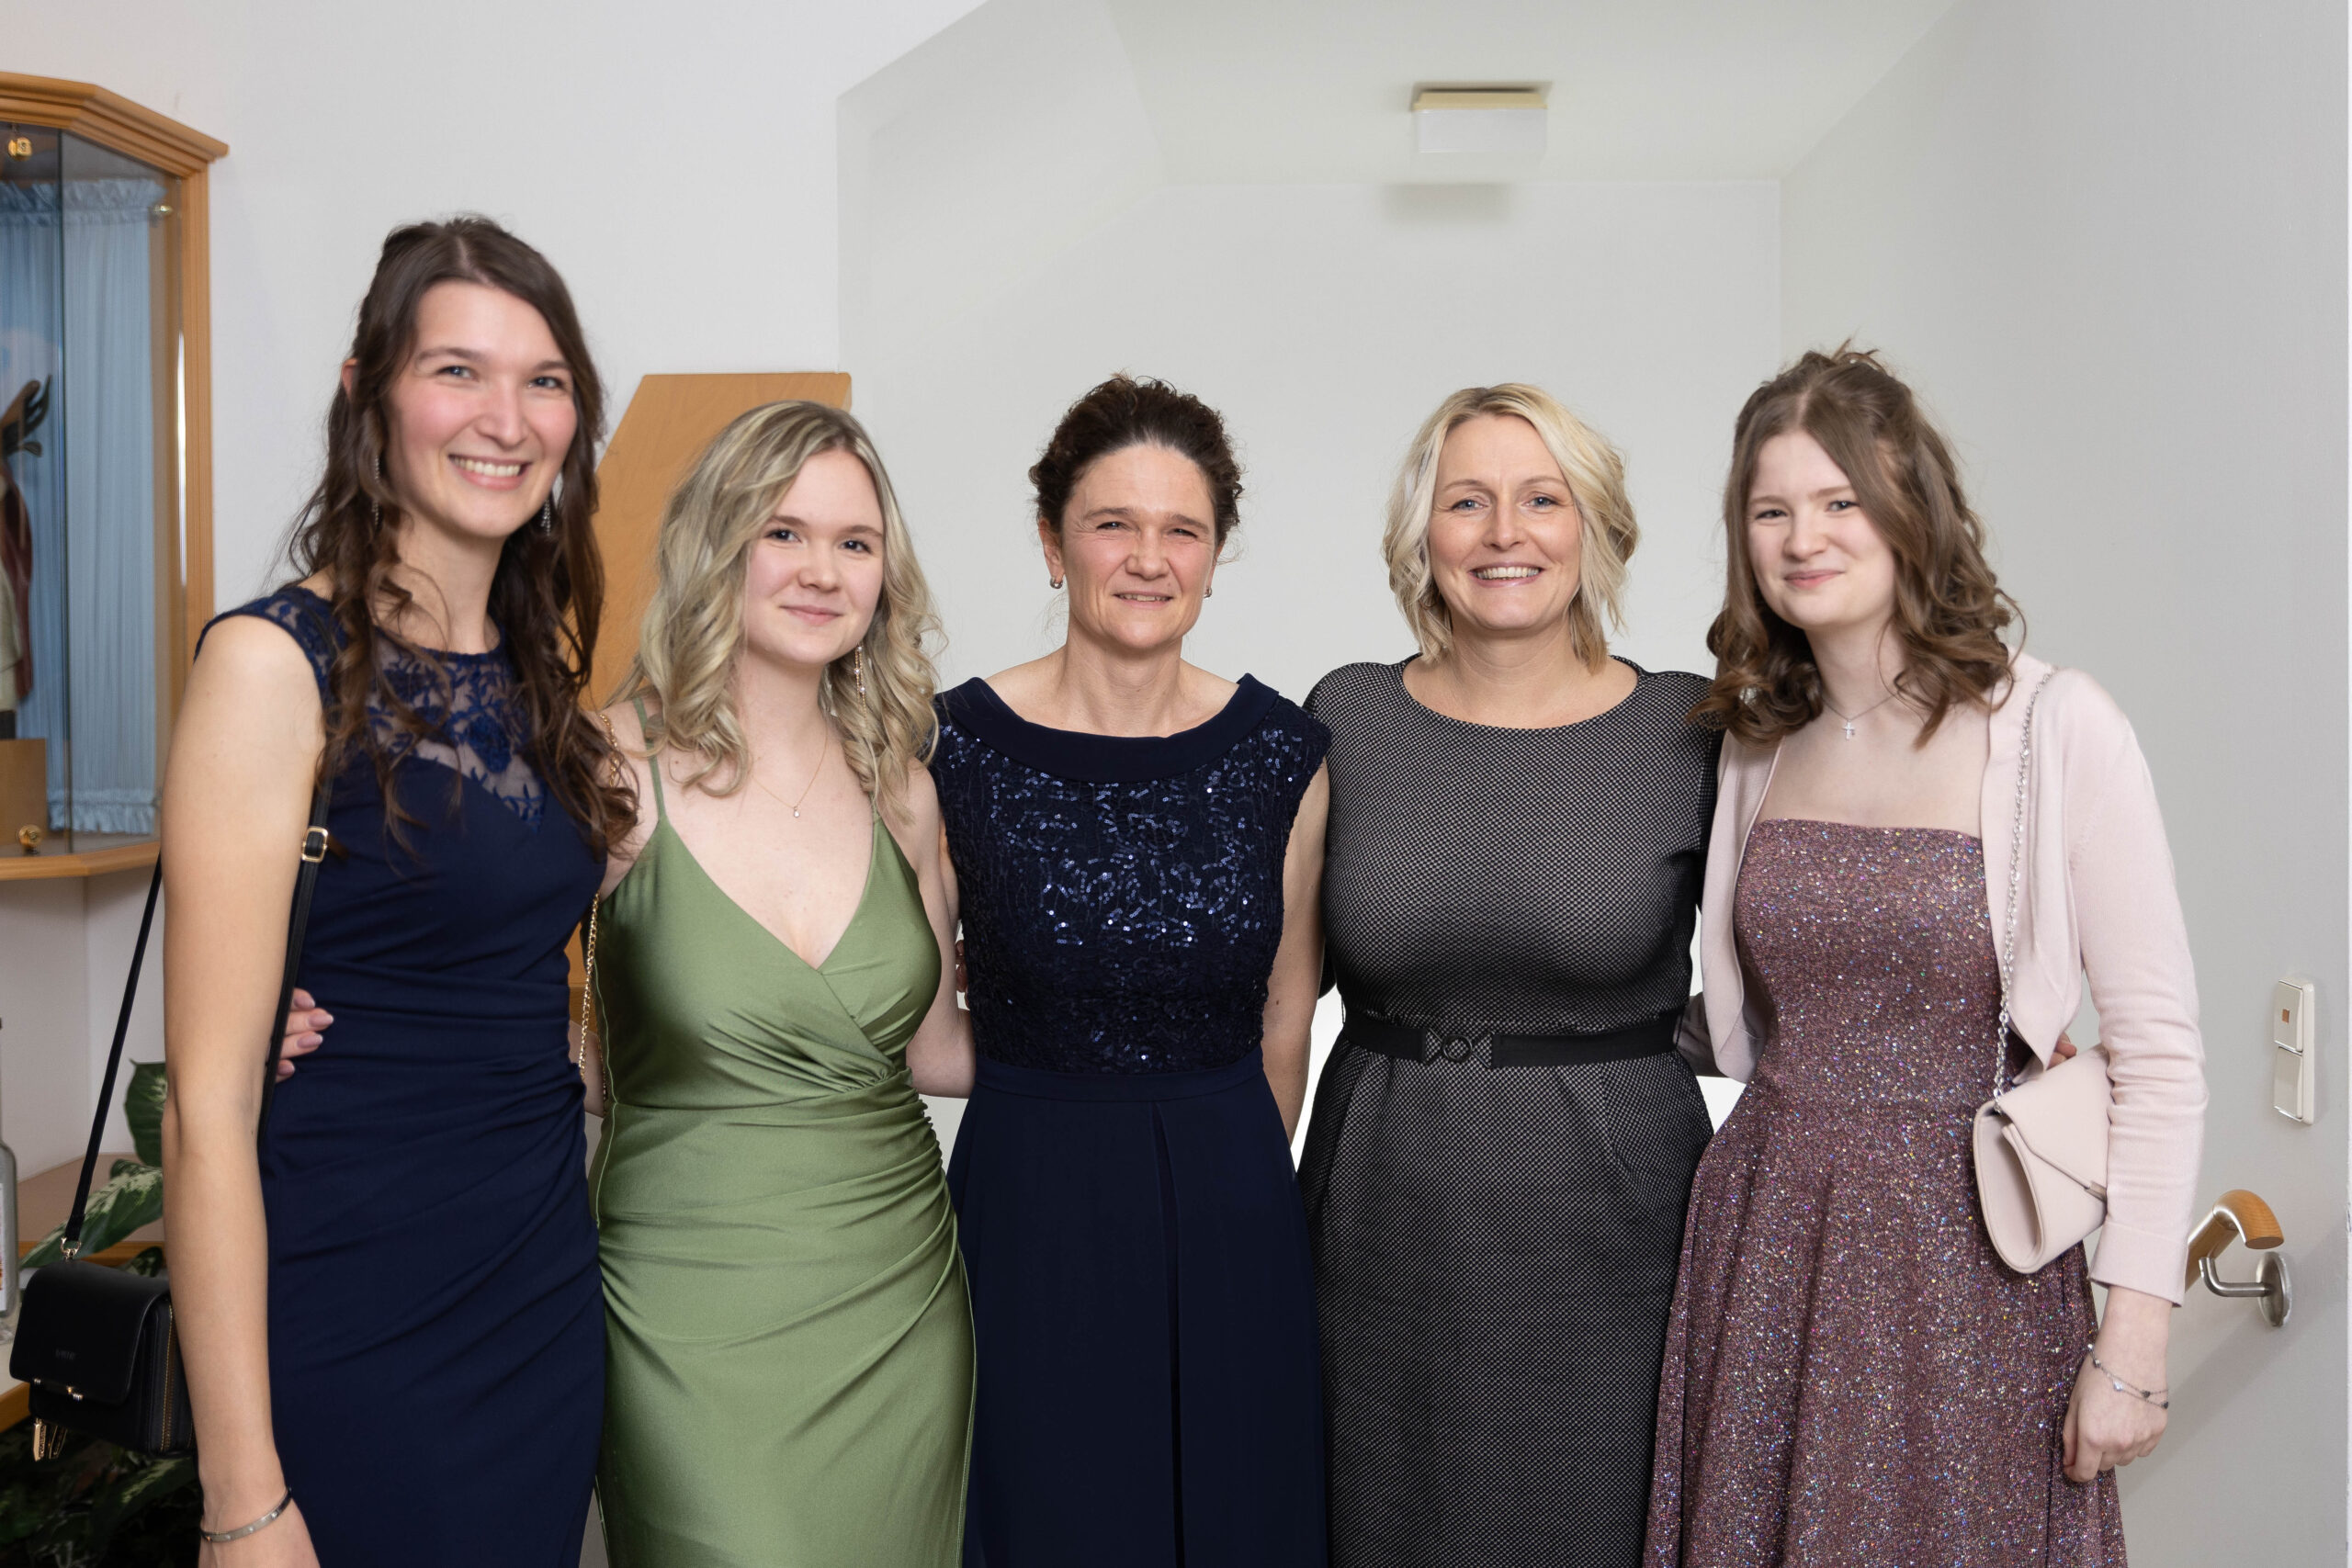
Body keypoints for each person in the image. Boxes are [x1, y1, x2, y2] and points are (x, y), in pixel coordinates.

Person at [1645, 348, 2207, 1566]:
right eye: (1771, 510)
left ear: (1913, 509)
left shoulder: (2056, 727)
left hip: (1974, 1259)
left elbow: (2160, 1058)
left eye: (1839, 500)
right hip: (1768, 1240)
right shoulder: (1755, 742)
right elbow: (1749, 1010)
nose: (1804, 538)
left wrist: (2135, 1345)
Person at [161, 217, 625, 1566]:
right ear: (369, 393)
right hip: (355, 1300)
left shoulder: (539, 674)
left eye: (544, 380)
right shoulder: (273, 664)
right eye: (457, 371)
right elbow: (205, 1112)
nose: (506, 418)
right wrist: (242, 1498)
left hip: (536, 1296)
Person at [1299, 384, 1719, 1566]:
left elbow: (1783, 968)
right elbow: (1269, 986)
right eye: (1466, 502)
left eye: (1542, 500)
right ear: (1420, 534)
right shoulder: (1345, 717)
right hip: (1383, 1207)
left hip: (1618, 1224)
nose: (1503, 534)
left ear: (1594, 527)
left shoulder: (1688, 729)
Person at [931, 374, 1330, 1567]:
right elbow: (906, 1003)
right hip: (1029, 1201)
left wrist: (1231, 1189)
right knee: (1044, 1511)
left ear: (1215, 554)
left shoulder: (1284, 754)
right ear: (1052, 543)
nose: (1148, 559)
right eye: (1113, 523)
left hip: (1230, 1202)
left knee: (1232, 1516)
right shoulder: (948, 745)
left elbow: (1287, 1013)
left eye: (1182, 530)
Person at [582, 400, 974, 1564]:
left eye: (855, 543)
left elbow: (936, 1050)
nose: (822, 571)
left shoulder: (902, 788)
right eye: (784, 533)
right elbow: (525, 1032)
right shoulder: (608, 767)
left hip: (896, 1295)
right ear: (720, 544)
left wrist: (1155, 1016)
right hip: (679, 1304)